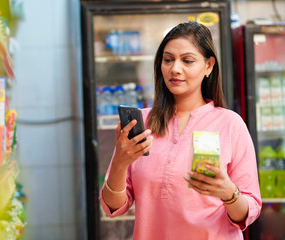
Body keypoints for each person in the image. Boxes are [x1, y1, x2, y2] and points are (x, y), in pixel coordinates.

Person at [99, 21, 261, 239]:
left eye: (187, 60)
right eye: (168, 60)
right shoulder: (141, 123)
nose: (175, 68)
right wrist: (120, 161)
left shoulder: (230, 124)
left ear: (209, 66)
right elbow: (113, 207)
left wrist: (228, 193)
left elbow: (249, 212)